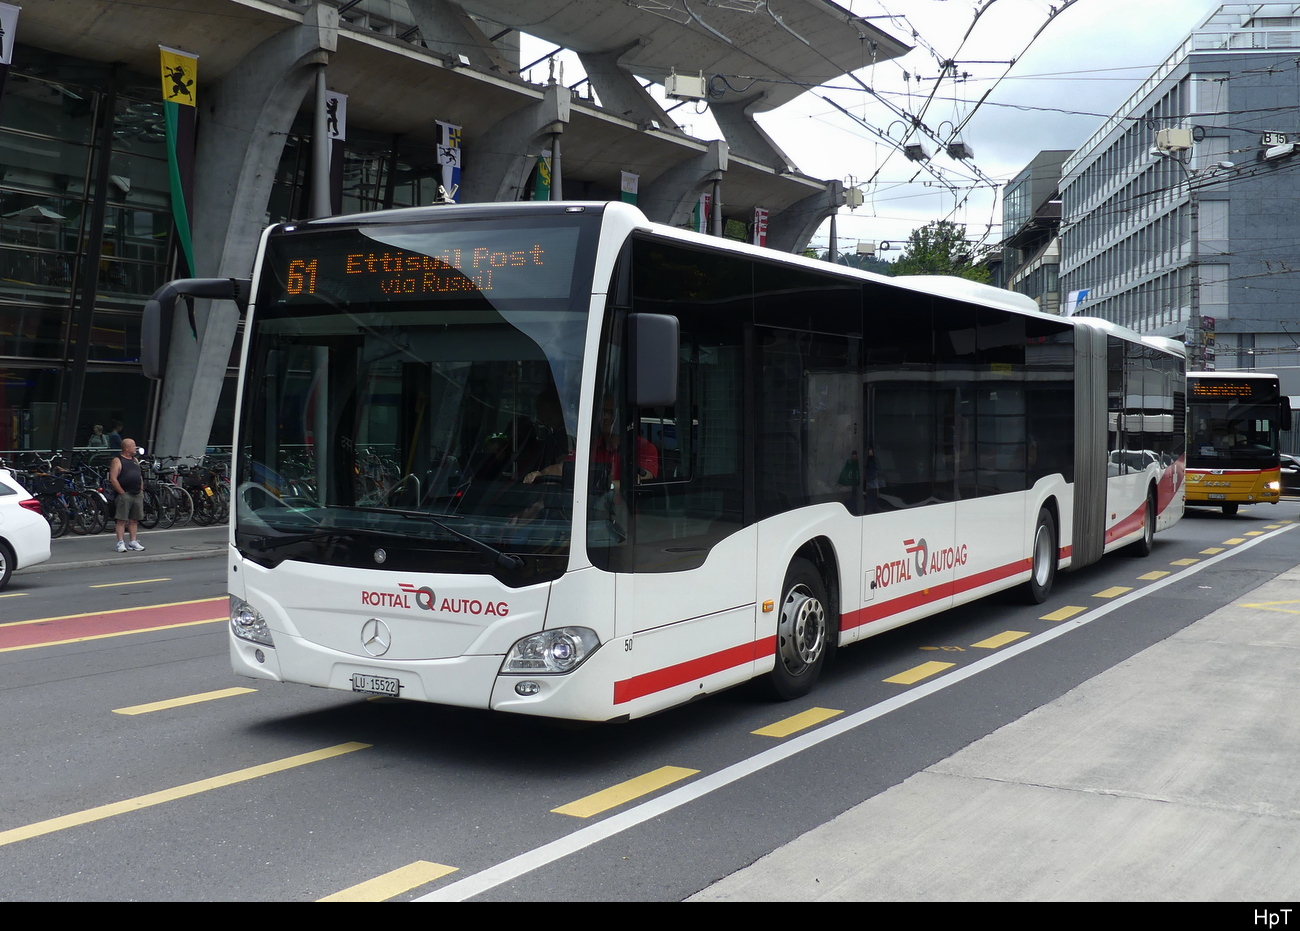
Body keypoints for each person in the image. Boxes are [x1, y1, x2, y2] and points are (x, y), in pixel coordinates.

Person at [109, 438, 145, 552]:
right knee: (122, 519)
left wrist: (141, 489)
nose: (135, 448)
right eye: (133, 446)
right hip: (125, 493)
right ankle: (120, 542)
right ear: (126, 448)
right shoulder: (117, 460)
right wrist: (122, 493)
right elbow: (113, 479)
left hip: (137, 493)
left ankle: (133, 541)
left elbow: (139, 476)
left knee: (134, 519)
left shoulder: (135, 460)